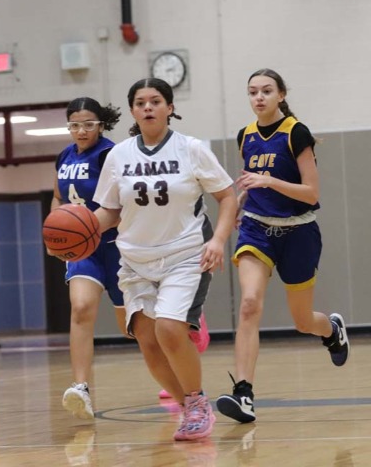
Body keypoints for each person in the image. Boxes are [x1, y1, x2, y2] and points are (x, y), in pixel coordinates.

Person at [92, 78, 238, 441]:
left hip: (185, 254)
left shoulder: (191, 149)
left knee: (169, 330)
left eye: (156, 101)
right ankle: (189, 408)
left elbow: (228, 196)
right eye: (140, 102)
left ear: (170, 108)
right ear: (132, 111)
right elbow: (109, 211)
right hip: (135, 259)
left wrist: (219, 240)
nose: (148, 107)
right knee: (147, 339)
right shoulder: (118, 156)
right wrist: (78, 233)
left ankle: (197, 401)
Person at [216, 68, 350, 424]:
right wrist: (242, 201)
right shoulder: (245, 135)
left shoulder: (296, 132)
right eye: (252, 92)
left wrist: (269, 181)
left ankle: (331, 330)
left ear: (281, 95)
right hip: (256, 230)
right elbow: (253, 182)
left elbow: (311, 193)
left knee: (303, 321)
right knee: (249, 305)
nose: (258, 97)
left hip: (298, 233)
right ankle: (244, 394)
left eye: (266, 91)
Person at [50, 97, 126, 420]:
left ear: (101, 125)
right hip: (84, 250)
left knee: (133, 328)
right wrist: (55, 232)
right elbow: (58, 198)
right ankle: (80, 387)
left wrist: (86, 227)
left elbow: (122, 204)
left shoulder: (111, 155)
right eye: (75, 125)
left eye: (89, 124)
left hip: (118, 245)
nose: (81, 131)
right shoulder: (64, 157)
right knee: (81, 308)